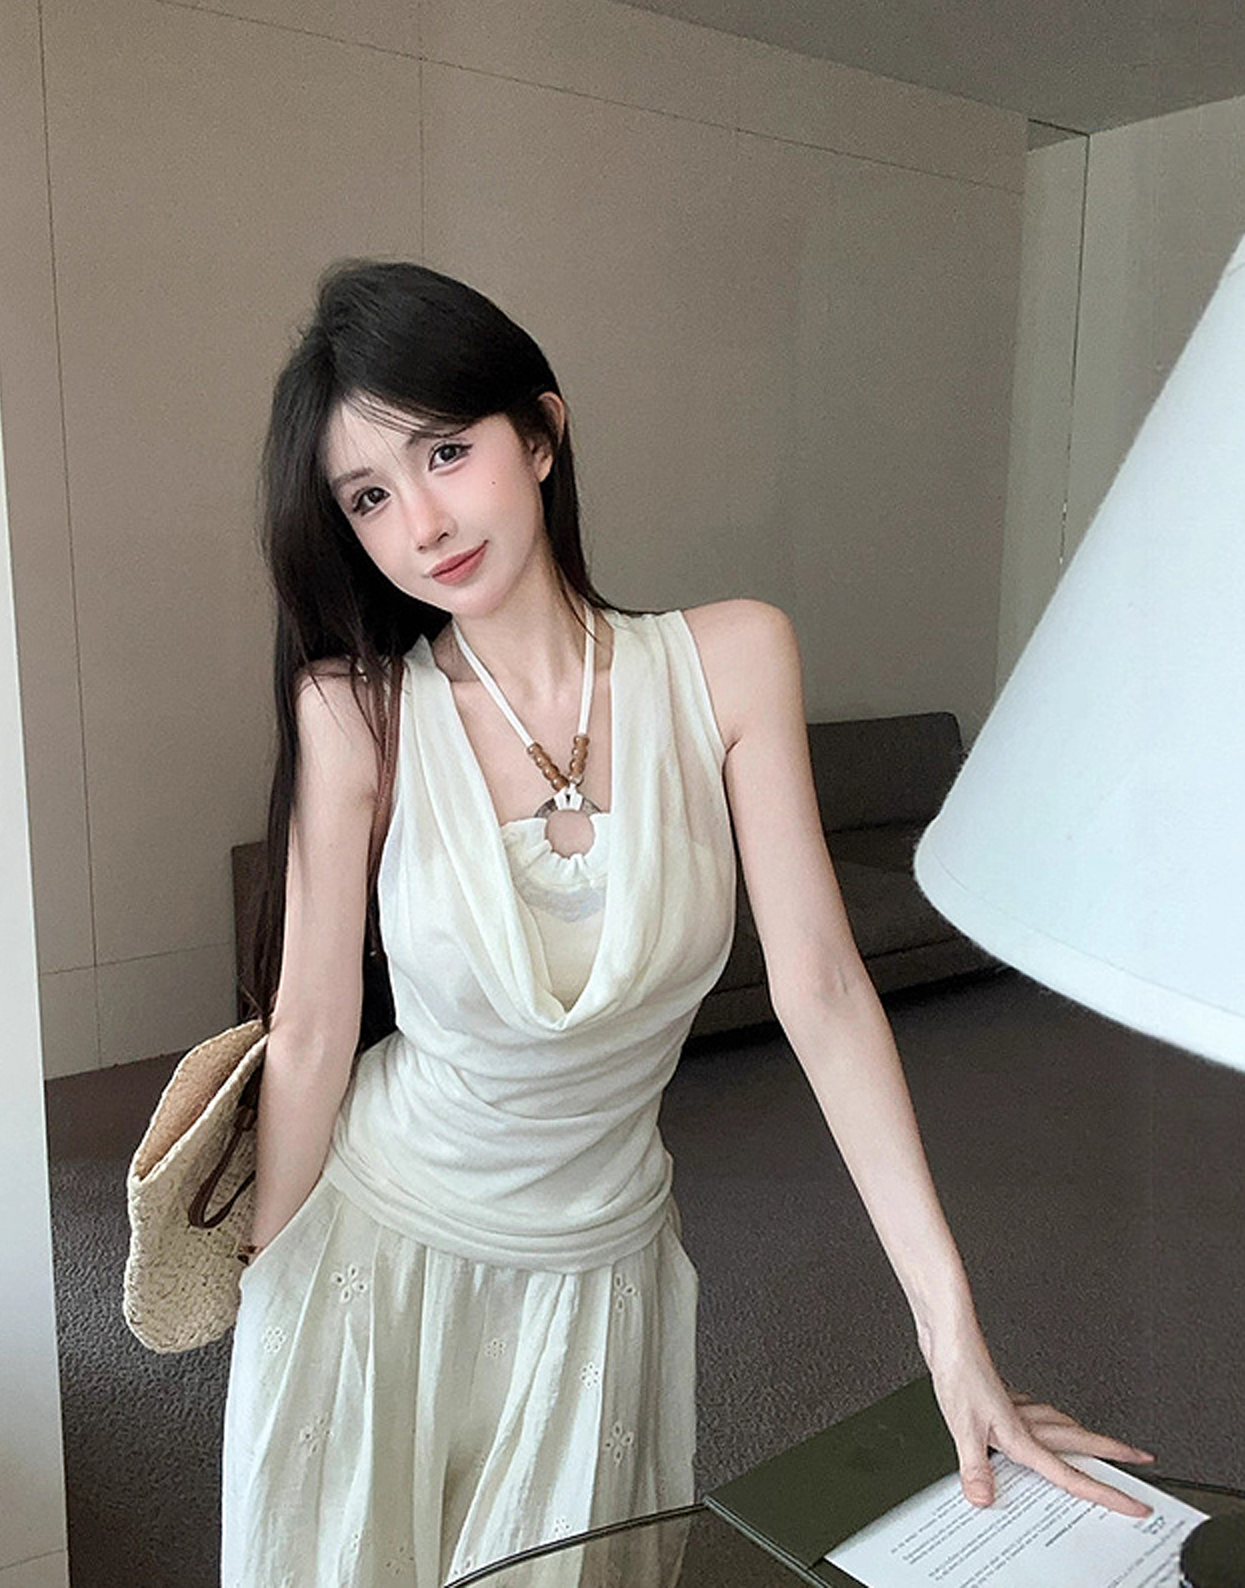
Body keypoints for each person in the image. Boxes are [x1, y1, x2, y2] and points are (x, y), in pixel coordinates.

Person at [220, 260, 1155, 1587]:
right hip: (385, 1242)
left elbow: (822, 992)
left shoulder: (731, 659)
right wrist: (275, 1290)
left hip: (601, 1271)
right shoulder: (356, 710)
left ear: (541, 434)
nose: (421, 523)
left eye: (445, 450)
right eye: (368, 496)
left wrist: (955, 1341)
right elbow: (313, 1031)